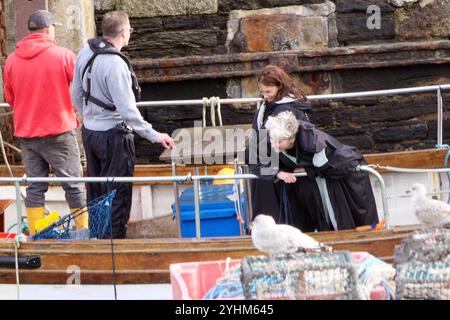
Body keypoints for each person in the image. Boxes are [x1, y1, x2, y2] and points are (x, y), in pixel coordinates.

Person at [71, 10, 175, 239]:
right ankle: (114, 245)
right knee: (116, 193)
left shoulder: (84, 53)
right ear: (123, 33)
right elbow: (128, 112)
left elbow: (75, 94)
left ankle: (98, 237)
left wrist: (89, 117)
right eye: (130, 30)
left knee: (97, 191)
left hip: (90, 134)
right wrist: (154, 135)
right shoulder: (116, 66)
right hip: (114, 137)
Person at [3, 10, 87, 235]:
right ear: (49, 29)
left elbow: (10, 99)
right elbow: (82, 89)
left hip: (27, 134)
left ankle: (37, 237)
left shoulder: (11, 61)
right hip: (59, 132)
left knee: (35, 188)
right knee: (74, 185)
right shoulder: (64, 55)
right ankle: (84, 236)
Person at [265, 111, 379, 230]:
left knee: (352, 216)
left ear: (291, 139)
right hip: (319, 183)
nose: (275, 145)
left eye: (279, 142)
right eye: (273, 140)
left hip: (343, 178)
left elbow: (331, 164)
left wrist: (307, 169)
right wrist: (278, 172)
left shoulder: (314, 143)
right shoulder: (277, 142)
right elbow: (256, 160)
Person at [246, 65, 323, 231]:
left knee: (277, 221)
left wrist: (269, 169)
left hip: (277, 169)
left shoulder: (282, 109)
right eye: (262, 92)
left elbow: (271, 143)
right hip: (276, 165)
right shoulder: (287, 103)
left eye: (268, 91)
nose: (265, 97)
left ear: (279, 86)